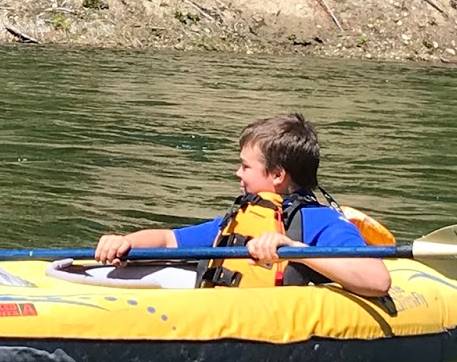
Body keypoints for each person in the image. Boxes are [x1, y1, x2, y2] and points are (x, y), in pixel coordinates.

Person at [94, 113, 391, 298]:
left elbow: (377, 282)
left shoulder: (321, 222)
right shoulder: (241, 218)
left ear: (277, 175)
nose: (238, 173)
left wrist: (294, 249)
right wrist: (124, 242)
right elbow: (169, 240)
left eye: (245, 166)